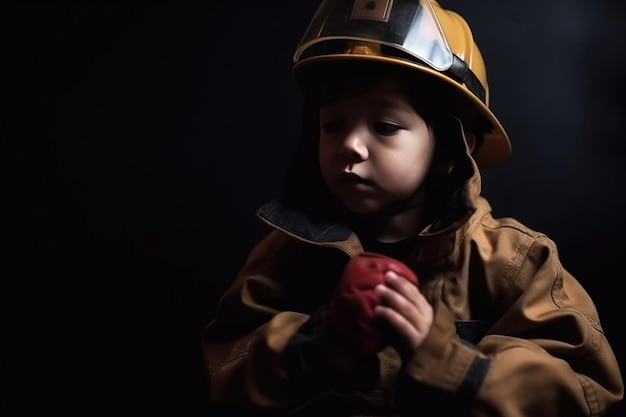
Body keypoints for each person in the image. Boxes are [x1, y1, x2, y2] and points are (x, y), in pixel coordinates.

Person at [202, 1, 624, 416]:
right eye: (332, 125)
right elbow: (223, 374)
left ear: (451, 151)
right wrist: (318, 343)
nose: (349, 145)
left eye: (384, 126)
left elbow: (589, 394)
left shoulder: (517, 263)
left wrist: (449, 360)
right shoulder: (286, 253)